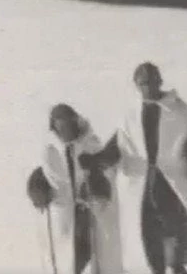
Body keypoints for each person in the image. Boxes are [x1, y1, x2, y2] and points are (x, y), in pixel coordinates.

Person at [78, 63, 187, 274]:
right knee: (148, 230)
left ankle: (177, 265)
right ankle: (157, 269)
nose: (148, 87)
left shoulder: (178, 109)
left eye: (152, 81)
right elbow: (117, 147)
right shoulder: (130, 115)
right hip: (143, 182)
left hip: (173, 179)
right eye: (143, 83)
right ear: (136, 85)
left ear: (160, 81)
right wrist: (96, 160)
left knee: (182, 225)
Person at [26, 103, 123, 274]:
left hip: (90, 211)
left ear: (76, 122)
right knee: (68, 259)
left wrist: (97, 186)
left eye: (69, 123)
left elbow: (106, 170)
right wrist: (37, 188)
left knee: (96, 255)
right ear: (54, 127)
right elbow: (44, 174)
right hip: (65, 212)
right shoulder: (50, 150)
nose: (65, 129)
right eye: (60, 125)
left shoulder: (91, 144)